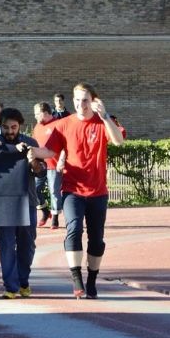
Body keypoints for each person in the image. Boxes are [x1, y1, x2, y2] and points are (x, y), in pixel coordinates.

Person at [32, 83, 124, 299]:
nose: (80, 105)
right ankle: (76, 280)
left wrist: (105, 117)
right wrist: (27, 150)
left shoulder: (104, 122)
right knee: (73, 229)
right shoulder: (64, 124)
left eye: (85, 100)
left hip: (98, 191)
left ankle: (92, 280)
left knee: (97, 239)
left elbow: (118, 141)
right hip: (72, 189)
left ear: (93, 101)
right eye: (77, 100)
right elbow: (48, 150)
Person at [0, 108, 45, 299]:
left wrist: (32, 160)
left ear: (20, 125)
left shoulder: (30, 143)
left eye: (13, 127)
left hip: (27, 200)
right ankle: (10, 286)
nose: (10, 131)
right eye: (5, 127)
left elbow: (41, 172)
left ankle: (23, 281)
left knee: (28, 245)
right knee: (6, 244)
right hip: (2, 203)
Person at [32, 102, 65, 229]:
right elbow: (34, 143)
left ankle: (55, 218)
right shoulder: (37, 127)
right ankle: (45, 211)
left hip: (54, 164)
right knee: (34, 189)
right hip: (39, 165)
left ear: (45, 113)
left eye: (37, 114)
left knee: (54, 191)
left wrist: (62, 159)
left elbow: (64, 144)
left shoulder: (58, 125)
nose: (35, 117)